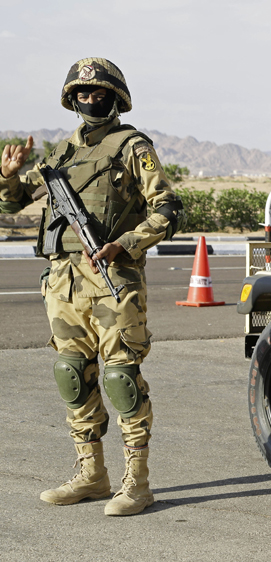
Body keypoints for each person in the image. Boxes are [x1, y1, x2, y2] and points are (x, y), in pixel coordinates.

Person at [0, 58, 184, 517]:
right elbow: (16, 201)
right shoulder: (60, 154)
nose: (89, 98)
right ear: (71, 99)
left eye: (98, 92)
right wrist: (8, 176)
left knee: (121, 378)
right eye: (81, 93)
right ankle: (92, 475)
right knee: (72, 375)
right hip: (63, 283)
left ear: (115, 97)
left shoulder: (132, 146)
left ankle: (137, 484)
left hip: (112, 280)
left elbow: (168, 209)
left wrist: (126, 243)